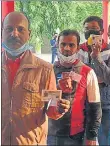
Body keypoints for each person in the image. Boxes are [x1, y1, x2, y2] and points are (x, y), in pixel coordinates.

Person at [1, 12, 70, 145]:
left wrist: (60, 108)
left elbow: (51, 108)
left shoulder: (44, 69)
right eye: (9, 29)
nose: (14, 34)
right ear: (1, 32)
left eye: (21, 29)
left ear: (29, 34)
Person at [47, 29, 102, 146]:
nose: (67, 48)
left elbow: (95, 107)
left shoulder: (87, 72)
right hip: (50, 133)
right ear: (57, 46)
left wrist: (92, 136)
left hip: (75, 135)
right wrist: (58, 89)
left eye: (71, 45)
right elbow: (43, 101)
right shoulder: (48, 70)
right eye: (63, 44)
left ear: (78, 48)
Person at [79, 16, 110, 145]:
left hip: (105, 103)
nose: (90, 32)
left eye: (94, 29)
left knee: (105, 140)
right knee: (84, 139)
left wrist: (98, 58)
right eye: (87, 29)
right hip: (82, 103)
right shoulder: (79, 50)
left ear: (102, 31)